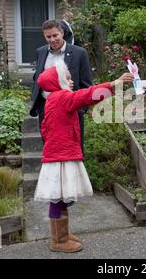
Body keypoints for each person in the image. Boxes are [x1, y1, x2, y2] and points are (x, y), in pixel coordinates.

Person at [34, 61, 134, 253]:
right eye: (67, 78)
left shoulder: (52, 99)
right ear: (57, 81)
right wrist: (113, 84)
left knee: (59, 197)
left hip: (57, 153)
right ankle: (59, 240)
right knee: (58, 197)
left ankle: (61, 234)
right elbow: (86, 96)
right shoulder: (63, 96)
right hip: (61, 155)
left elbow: (45, 127)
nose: (71, 81)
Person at [30, 19, 92, 152]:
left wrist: (80, 110)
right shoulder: (40, 52)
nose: (52, 39)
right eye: (48, 37)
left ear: (62, 33)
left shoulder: (79, 53)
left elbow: (86, 84)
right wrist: (35, 98)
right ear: (44, 36)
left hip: (70, 110)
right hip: (46, 109)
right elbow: (37, 78)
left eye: (55, 35)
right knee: (49, 148)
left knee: (73, 149)